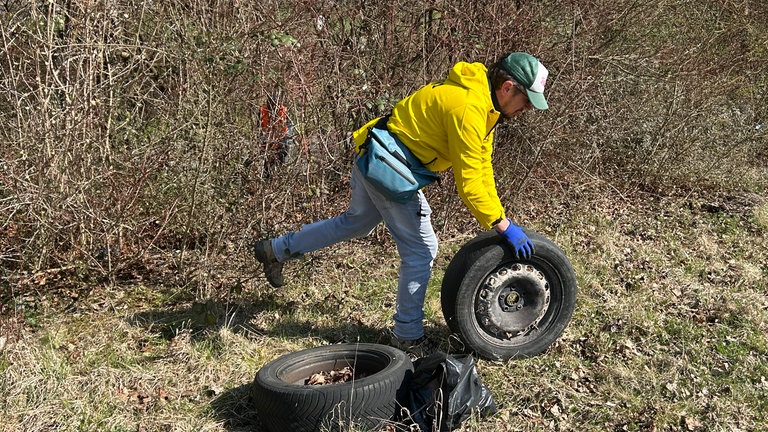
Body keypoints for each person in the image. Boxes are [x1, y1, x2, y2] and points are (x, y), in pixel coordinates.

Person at [253, 52, 549, 358]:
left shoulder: (484, 105)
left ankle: (276, 250)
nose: (526, 109)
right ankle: (407, 336)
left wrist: (500, 217)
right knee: (422, 250)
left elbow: (481, 166)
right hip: (390, 166)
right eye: (526, 101)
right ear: (507, 87)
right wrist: (501, 225)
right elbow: (469, 183)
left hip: (376, 151)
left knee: (355, 222)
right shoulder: (469, 108)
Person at [259, 92, 294, 179]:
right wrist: (263, 139)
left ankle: (278, 175)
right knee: (266, 165)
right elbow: (258, 129)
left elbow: (290, 127)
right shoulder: (262, 111)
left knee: (282, 156)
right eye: (270, 104)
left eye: (274, 104)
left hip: (281, 141)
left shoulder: (284, 111)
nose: (272, 107)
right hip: (267, 141)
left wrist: (284, 138)